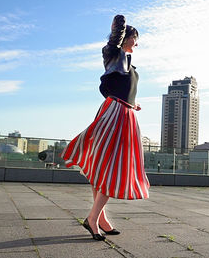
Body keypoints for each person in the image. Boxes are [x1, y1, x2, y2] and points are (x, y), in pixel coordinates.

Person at [61, 15, 150, 241]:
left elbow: (122, 88)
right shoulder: (114, 55)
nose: (136, 43)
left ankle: (100, 218)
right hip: (115, 114)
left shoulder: (128, 63)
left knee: (105, 166)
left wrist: (133, 103)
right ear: (127, 37)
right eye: (134, 38)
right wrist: (119, 27)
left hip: (125, 113)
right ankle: (93, 218)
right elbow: (113, 43)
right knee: (113, 168)